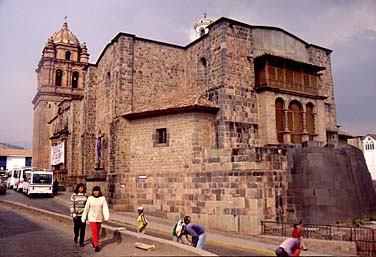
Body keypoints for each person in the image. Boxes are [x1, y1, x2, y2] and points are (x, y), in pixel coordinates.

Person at [81, 186, 109, 252]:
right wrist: (83, 217)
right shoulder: (90, 198)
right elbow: (86, 208)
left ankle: (94, 241)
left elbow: (105, 208)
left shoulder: (102, 198)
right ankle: (96, 245)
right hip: (92, 217)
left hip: (99, 217)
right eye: (94, 191)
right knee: (94, 231)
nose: (95, 192)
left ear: (99, 191)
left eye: (97, 191)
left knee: (98, 231)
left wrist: (106, 216)